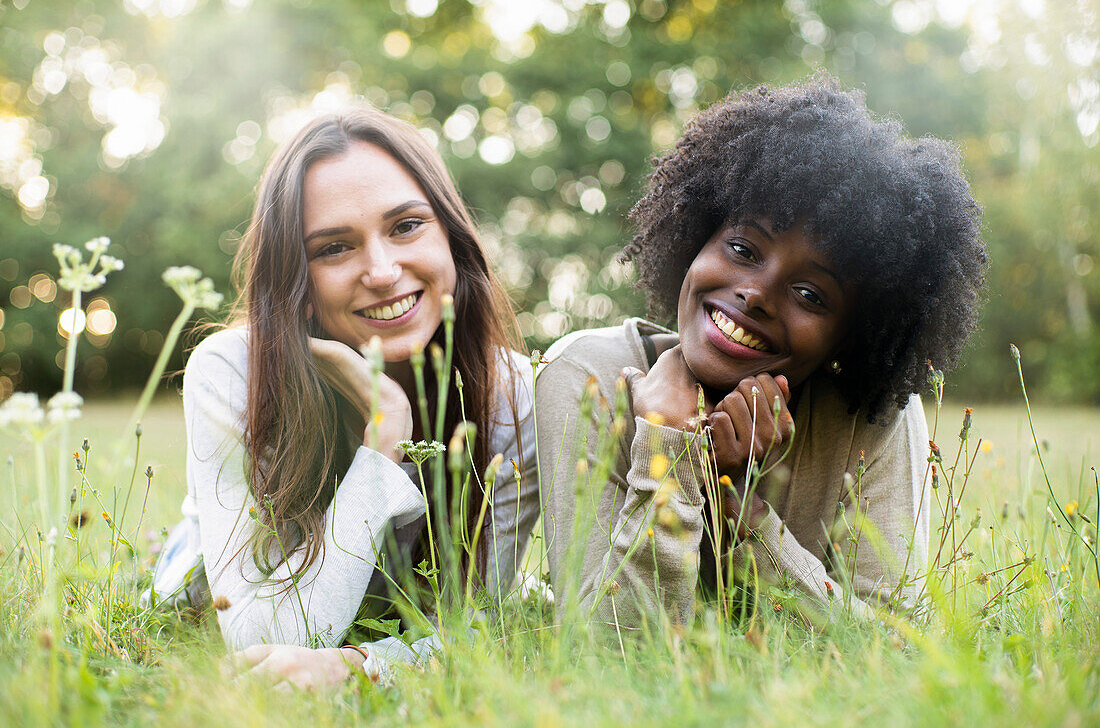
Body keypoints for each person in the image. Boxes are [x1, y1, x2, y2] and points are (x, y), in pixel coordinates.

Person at [537, 76, 986, 630]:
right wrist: (666, 456)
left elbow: (893, 649)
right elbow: (605, 649)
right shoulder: (588, 376)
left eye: (810, 295)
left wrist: (740, 514)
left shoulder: (870, 420)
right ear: (696, 235)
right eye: (743, 248)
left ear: (851, 335)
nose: (757, 293)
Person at [150, 108, 539, 685]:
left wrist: (363, 667)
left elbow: (478, 626)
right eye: (334, 248)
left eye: (406, 226)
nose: (382, 272)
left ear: (452, 239)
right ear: (296, 280)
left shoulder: (509, 395)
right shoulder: (232, 370)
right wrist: (385, 439)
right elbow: (263, 643)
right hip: (214, 575)